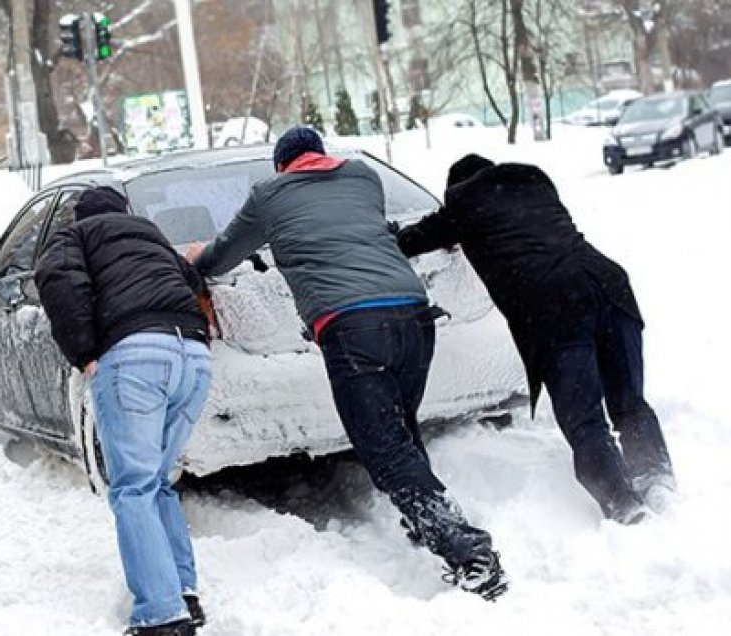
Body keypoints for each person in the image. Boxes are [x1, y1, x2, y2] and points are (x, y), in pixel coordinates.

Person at [185, 127, 508, 600]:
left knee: (383, 449)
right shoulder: (363, 177)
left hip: (354, 327)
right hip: (415, 318)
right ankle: (427, 521)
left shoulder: (269, 195)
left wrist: (197, 260)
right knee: (400, 430)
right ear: (321, 154)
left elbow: (222, 256)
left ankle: (466, 549)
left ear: (282, 165)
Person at [394, 154, 675, 524]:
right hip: (609, 285)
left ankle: (623, 504)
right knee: (628, 400)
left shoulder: (463, 204)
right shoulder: (535, 182)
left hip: (556, 305)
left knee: (584, 416)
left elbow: (411, 240)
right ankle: (655, 476)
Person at [35, 186, 210, 636]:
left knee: (132, 487)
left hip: (135, 357)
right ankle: (183, 593)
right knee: (157, 482)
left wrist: (83, 351)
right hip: (193, 356)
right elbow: (192, 283)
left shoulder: (74, 237)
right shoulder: (151, 235)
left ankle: (160, 613)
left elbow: (58, 280)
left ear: (81, 216)